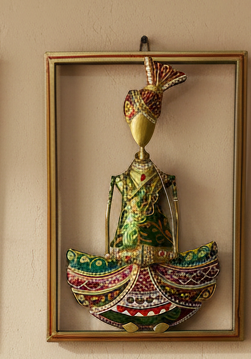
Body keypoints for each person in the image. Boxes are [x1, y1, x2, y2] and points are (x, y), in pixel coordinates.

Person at [66, 57, 219, 332]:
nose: (141, 132)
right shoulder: (122, 178)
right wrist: (110, 250)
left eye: (144, 123)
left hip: (157, 243)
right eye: (138, 123)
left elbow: (174, 214)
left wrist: (172, 250)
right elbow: (110, 215)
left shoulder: (162, 178)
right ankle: (131, 318)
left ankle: (156, 317)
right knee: (126, 278)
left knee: (159, 277)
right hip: (127, 243)